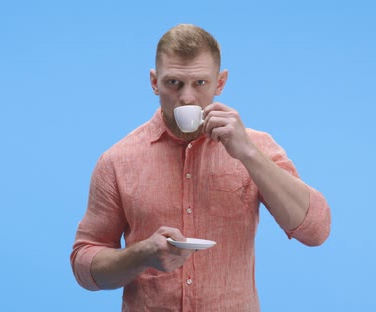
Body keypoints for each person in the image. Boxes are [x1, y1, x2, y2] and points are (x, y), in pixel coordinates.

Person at [71, 24, 331, 311]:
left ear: (220, 83)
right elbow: (84, 265)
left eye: (200, 83)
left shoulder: (255, 147)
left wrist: (248, 154)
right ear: (154, 82)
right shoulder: (117, 160)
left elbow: (316, 230)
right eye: (173, 83)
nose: (186, 98)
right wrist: (141, 254)